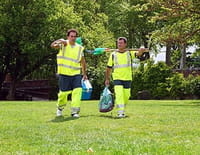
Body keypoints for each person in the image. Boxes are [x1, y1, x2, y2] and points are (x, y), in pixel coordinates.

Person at [105, 37, 146, 118]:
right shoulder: (113, 54)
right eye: (118, 43)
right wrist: (107, 78)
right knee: (119, 94)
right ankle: (120, 112)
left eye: (121, 43)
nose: (119, 44)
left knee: (126, 96)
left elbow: (138, 54)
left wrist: (141, 50)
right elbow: (108, 68)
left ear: (125, 44)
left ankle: (121, 107)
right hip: (117, 78)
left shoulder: (130, 53)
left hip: (127, 78)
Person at [51, 29, 87, 118]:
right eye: (71, 36)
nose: (73, 38)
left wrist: (84, 73)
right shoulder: (63, 44)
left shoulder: (79, 48)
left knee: (78, 91)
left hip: (76, 74)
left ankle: (74, 112)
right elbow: (52, 45)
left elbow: (83, 62)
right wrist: (60, 40)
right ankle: (60, 108)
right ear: (68, 37)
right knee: (63, 93)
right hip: (64, 73)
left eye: (75, 36)